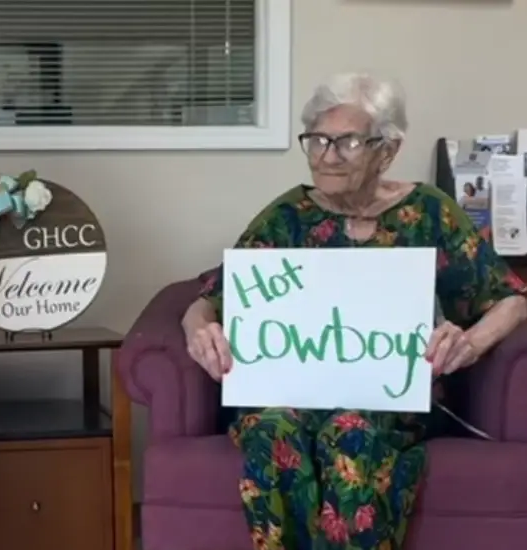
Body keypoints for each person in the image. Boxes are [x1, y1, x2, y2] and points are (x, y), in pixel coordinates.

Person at [181, 73, 527, 550]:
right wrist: (200, 331)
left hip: (386, 399)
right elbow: (207, 300)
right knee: (270, 428)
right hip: (290, 395)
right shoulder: (287, 216)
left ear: (387, 150)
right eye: (318, 141)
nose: (326, 155)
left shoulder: (429, 212)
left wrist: (470, 343)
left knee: (351, 431)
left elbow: (509, 298)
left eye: (345, 142)